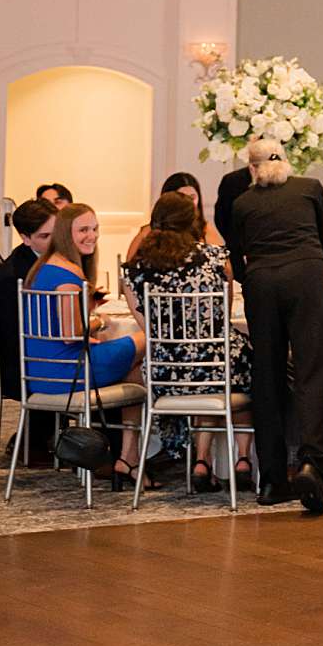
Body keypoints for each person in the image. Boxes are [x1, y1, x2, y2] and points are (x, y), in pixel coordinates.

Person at [226, 138, 323, 515]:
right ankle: (311, 461)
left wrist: (254, 278)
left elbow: (237, 255)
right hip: (308, 276)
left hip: (261, 283)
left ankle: (272, 479)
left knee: (267, 375)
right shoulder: (309, 188)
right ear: (285, 163)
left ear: (252, 169)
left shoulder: (242, 203)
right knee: (313, 371)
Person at [125, 192, 255, 493]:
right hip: (215, 367)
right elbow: (220, 320)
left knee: (205, 368)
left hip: (164, 375)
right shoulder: (215, 259)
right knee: (247, 363)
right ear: (194, 223)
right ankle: (242, 458)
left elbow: (149, 331)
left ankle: (201, 460)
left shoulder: (134, 270)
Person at [21, 202, 148, 488]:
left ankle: (129, 456)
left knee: (137, 368)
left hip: (42, 371)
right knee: (149, 338)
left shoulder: (45, 268)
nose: (91, 236)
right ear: (66, 233)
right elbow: (70, 334)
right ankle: (131, 455)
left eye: (94, 229)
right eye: (83, 230)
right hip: (68, 371)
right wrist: (98, 323)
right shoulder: (67, 276)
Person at [0, 198, 56, 420]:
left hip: (42, 352)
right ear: (25, 238)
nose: (56, 240)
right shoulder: (14, 276)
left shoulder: (53, 258)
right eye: (45, 236)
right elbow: (18, 337)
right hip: (20, 365)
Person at [125, 171, 221, 263]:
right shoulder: (150, 231)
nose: (188, 203)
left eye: (192, 197)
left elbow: (222, 263)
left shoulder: (205, 229)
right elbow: (130, 263)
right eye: (182, 197)